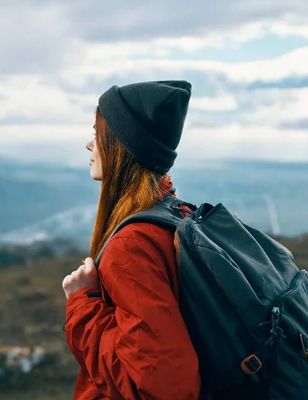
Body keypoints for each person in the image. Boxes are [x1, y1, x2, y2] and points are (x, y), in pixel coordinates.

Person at [62, 81, 201, 399]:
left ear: (121, 145)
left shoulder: (131, 246)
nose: (88, 144)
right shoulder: (175, 214)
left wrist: (83, 304)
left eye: (98, 134)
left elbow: (163, 386)